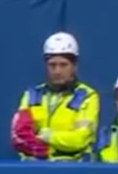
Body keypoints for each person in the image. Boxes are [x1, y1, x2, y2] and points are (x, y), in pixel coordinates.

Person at [11, 33, 99, 162]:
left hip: (72, 169)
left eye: (63, 65)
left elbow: (81, 139)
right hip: (33, 167)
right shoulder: (31, 95)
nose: (57, 71)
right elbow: (19, 135)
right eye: (52, 65)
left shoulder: (88, 96)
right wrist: (46, 148)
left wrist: (49, 137)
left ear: (74, 66)